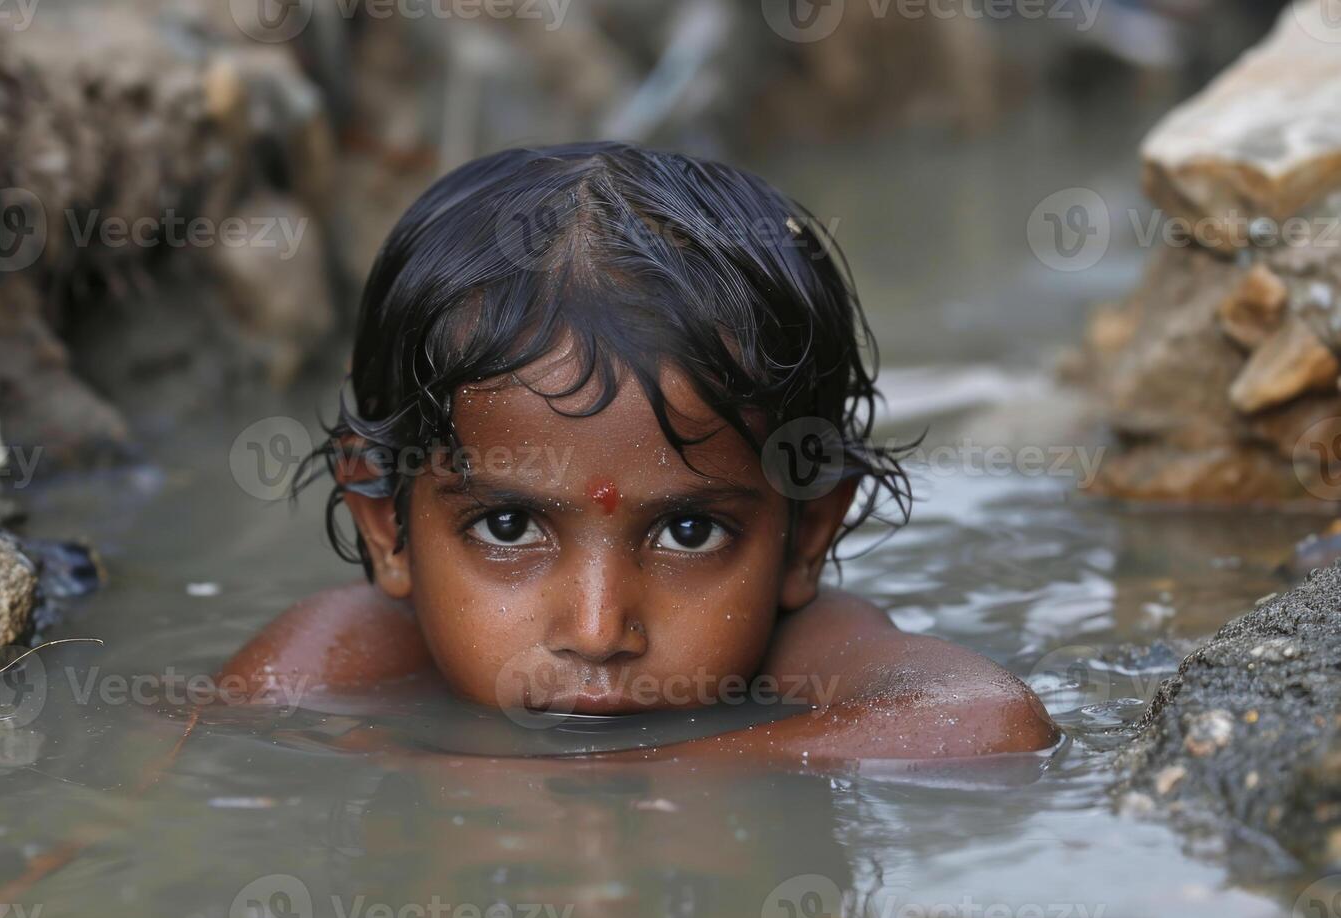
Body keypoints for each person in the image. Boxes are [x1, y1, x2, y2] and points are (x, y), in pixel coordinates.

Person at [220, 142, 1058, 765]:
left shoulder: (802, 656)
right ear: (386, 528)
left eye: (690, 533)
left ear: (807, 536)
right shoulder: (356, 652)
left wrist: (638, 775)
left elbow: (987, 719)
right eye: (508, 526)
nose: (597, 632)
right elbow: (174, 789)